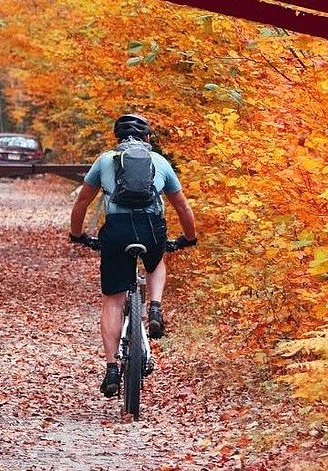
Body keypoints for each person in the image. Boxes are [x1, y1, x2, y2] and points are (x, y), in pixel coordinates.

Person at [69, 113, 198, 398]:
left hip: (116, 231)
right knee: (156, 259)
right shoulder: (160, 162)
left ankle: (112, 367)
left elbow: (81, 203)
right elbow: (183, 208)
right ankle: (154, 307)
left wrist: (77, 234)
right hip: (151, 229)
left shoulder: (105, 161)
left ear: (117, 138)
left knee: (113, 300)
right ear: (147, 138)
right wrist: (190, 237)